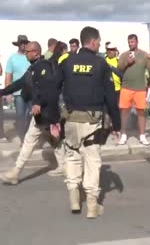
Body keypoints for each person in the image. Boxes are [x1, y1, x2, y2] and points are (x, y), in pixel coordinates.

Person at [53, 26, 121, 219]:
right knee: (92, 159)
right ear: (92, 42)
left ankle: (74, 198)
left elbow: (53, 89)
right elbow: (111, 98)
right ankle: (92, 205)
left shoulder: (67, 62)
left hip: (71, 119)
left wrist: (53, 119)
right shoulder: (101, 64)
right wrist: (117, 125)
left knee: (73, 155)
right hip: (92, 121)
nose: (100, 44)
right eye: (99, 41)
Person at [0, 41, 67, 183]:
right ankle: (65, 166)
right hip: (46, 113)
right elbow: (20, 83)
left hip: (45, 112)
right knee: (53, 140)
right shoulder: (34, 68)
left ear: (35, 52)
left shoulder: (42, 67)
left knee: (30, 141)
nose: (26, 54)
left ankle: (15, 172)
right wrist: (1, 92)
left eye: (28, 51)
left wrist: (37, 103)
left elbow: (48, 88)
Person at [117, 34, 150, 146]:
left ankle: (142, 136)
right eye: (129, 42)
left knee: (141, 112)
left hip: (140, 88)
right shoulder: (124, 55)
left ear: (137, 42)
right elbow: (119, 69)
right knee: (124, 112)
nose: (130, 43)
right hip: (126, 88)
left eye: (132, 41)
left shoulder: (143, 55)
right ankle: (123, 135)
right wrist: (127, 62)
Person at [5, 35, 31, 142]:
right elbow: (8, 76)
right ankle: (22, 138)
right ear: (18, 44)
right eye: (22, 43)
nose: (24, 45)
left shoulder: (30, 57)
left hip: (31, 92)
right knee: (20, 116)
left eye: (25, 43)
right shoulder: (12, 58)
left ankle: (29, 137)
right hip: (18, 93)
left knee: (32, 116)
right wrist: (8, 92)